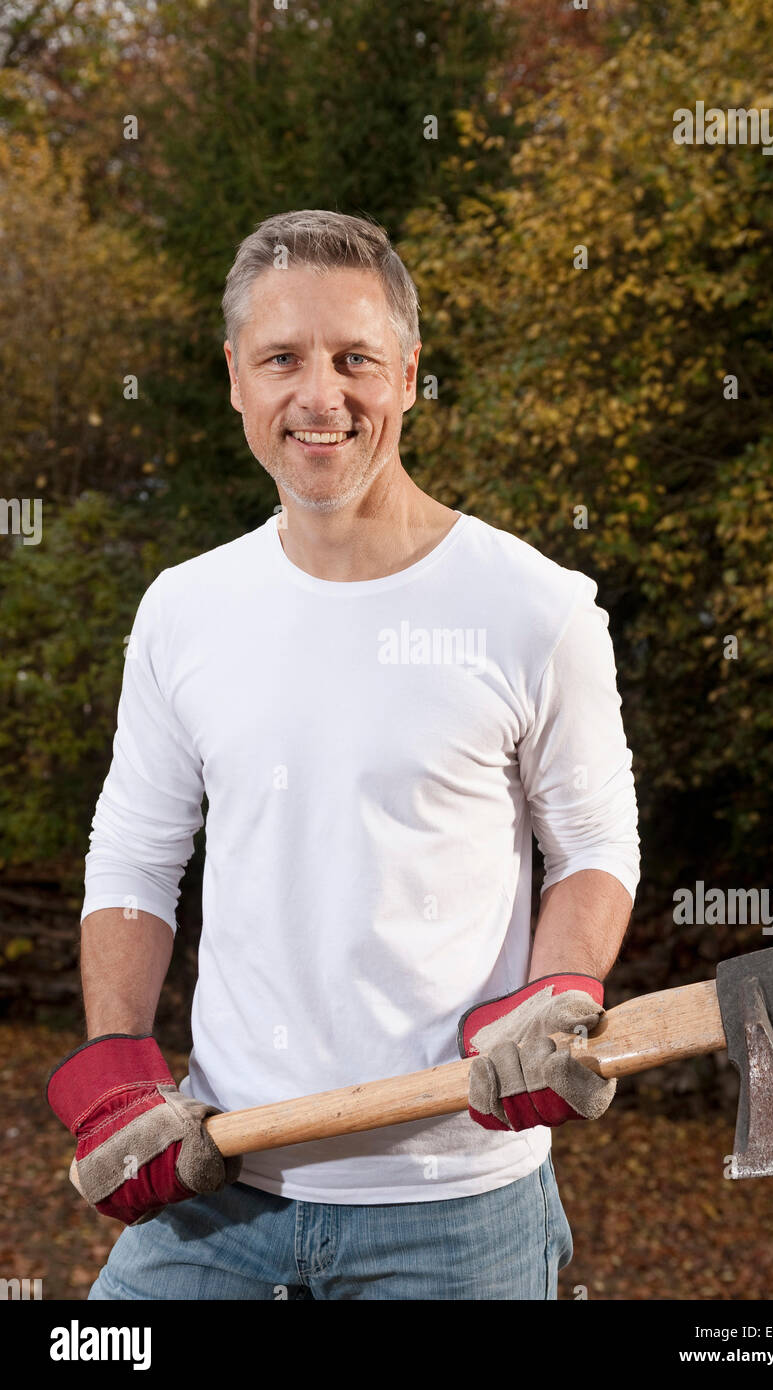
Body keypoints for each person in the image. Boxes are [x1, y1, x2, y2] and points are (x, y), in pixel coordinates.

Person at [46, 209, 640, 1301]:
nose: (320, 397)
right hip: (220, 1180)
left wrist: (556, 990)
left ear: (409, 373)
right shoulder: (186, 610)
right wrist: (122, 1067)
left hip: (458, 1210)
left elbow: (595, 839)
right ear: (236, 377)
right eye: (283, 359)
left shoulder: (534, 608)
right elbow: (134, 856)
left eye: (355, 358)